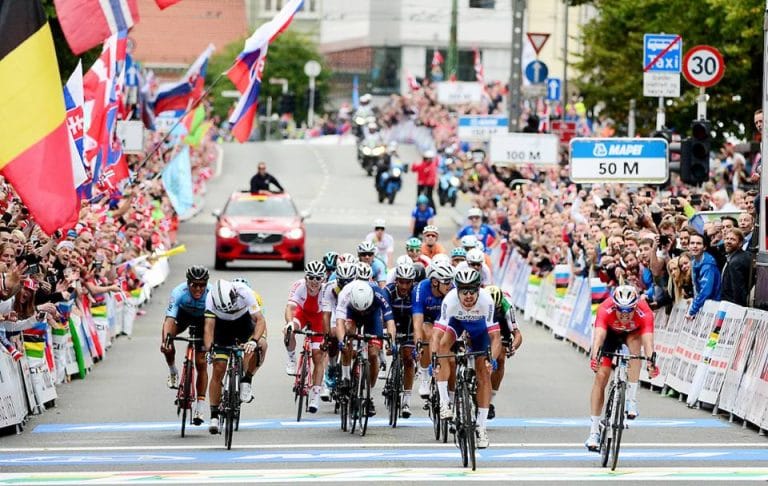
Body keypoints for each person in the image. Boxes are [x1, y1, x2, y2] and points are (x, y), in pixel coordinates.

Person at [434, 268, 501, 449]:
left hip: (480, 330)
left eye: (472, 291)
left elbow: (496, 337)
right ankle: (444, 401)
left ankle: (481, 427)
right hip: (457, 323)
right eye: (464, 291)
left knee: (483, 373)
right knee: (443, 348)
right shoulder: (450, 300)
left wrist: (491, 359)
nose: (468, 296)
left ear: (479, 290)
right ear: (457, 291)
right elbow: (437, 333)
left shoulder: (487, 301)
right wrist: (435, 357)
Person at [585, 285, 659, 451]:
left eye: (629, 310)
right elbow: (598, 338)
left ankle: (631, 401)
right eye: (621, 310)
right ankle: (594, 431)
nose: (625, 315)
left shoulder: (644, 311)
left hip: (632, 334)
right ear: (615, 306)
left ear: (635, 307)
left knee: (636, 348)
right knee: (601, 376)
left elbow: (648, 342)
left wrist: (651, 362)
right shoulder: (605, 309)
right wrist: (595, 356)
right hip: (610, 335)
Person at [203, 279, 268, 434]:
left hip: (243, 322)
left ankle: (247, 379)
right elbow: (209, 327)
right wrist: (209, 348)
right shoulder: (210, 298)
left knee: (260, 346)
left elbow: (260, 320)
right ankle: (214, 415)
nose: (229, 308)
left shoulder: (244, 292)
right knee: (218, 368)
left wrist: (253, 340)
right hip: (222, 327)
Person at [335, 280, 397, 416]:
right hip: (351, 314)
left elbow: (390, 321)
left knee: (373, 355)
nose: (361, 312)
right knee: (347, 335)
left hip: (372, 316)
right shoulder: (346, 293)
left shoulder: (379, 294)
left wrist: (391, 342)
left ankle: (368, 394)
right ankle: (346, 377)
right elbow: (339, 322)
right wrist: (342, 342)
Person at [160, 265, 211, 426]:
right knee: (167, 343)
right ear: (188, 283)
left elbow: (213, 323)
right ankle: (173, 371)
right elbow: (169, 319)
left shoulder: (211, 295)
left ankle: (200, 408)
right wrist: (166, 340)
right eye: (194, 285)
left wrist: (211, 343)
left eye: (202, 285)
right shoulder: (178, 292)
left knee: (201, 362)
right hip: (183, 316)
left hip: (204, 320)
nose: (198, 288)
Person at [283, 261, 327, 413]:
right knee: (289, 330)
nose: (314, 282)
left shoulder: (326, 291)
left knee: (318, 356)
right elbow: (290, 307)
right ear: (306, 277)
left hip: (319, 319)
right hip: (301, 314)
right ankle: (291, 357)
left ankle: (315, 395)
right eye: (311, 278)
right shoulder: (299, 286)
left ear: (323, 279)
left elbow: (329, 316)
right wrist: (289, 323)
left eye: (318, 278)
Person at [413, 261, 454, 399]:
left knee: (451, 355)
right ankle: (425, 376)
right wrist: (418, 343)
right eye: (447, 282)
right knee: (429, 335)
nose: (450, 285)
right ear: (435, 282)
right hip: (427, 318)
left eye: (451, 281)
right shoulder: (421, 289)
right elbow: (417, 322)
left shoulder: (451, 291)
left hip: (442, 318)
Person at [382, 263, 417, 418]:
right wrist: (388, 338)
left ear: (412, 282)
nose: (404, 286)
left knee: (409, 359)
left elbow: (418, 319)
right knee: (392, 349)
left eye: (407, 282)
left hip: (409, 324)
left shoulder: (416, 292)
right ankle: (392, 372)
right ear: (396, 280)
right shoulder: (388, 291)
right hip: (391, 321)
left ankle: (406, 401)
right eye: (401, 281)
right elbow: (383, 316)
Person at [319, 261, 357, 401]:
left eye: (348, 282)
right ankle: (333, 365)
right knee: (334, 334)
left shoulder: (359, 287)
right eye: (342, 282)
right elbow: (326, 315)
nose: (345, 286)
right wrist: (326, 336)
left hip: (353, 312)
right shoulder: (329, 287)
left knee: (353, 341)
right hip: (336, 312)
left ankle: (353, 375)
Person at [485, 286, 523, 420]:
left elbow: (517, 335)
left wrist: (512, 346)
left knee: (500, 358)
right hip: (482, 323)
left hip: (501, 328)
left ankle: (490, 401)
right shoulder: (477, 302)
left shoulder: (507, 306)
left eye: (497, 308)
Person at [686, 232, 721, 320]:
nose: (695, 246)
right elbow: (695, 286)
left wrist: (692, 310)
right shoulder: (694, 261)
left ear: (704, 247)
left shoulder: (708, 264)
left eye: (698, 243)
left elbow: (706, 290)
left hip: (714, 306)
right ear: (688, 246)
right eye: (692, 243)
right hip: (704, 305)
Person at [720, 228, 752, 307]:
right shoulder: (738, 256)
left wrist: (738, 309)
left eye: (732, 239)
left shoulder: (736, 262)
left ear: (740, 243)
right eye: (726, 239)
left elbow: (738, 290)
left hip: (732, 306)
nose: (728, 241)